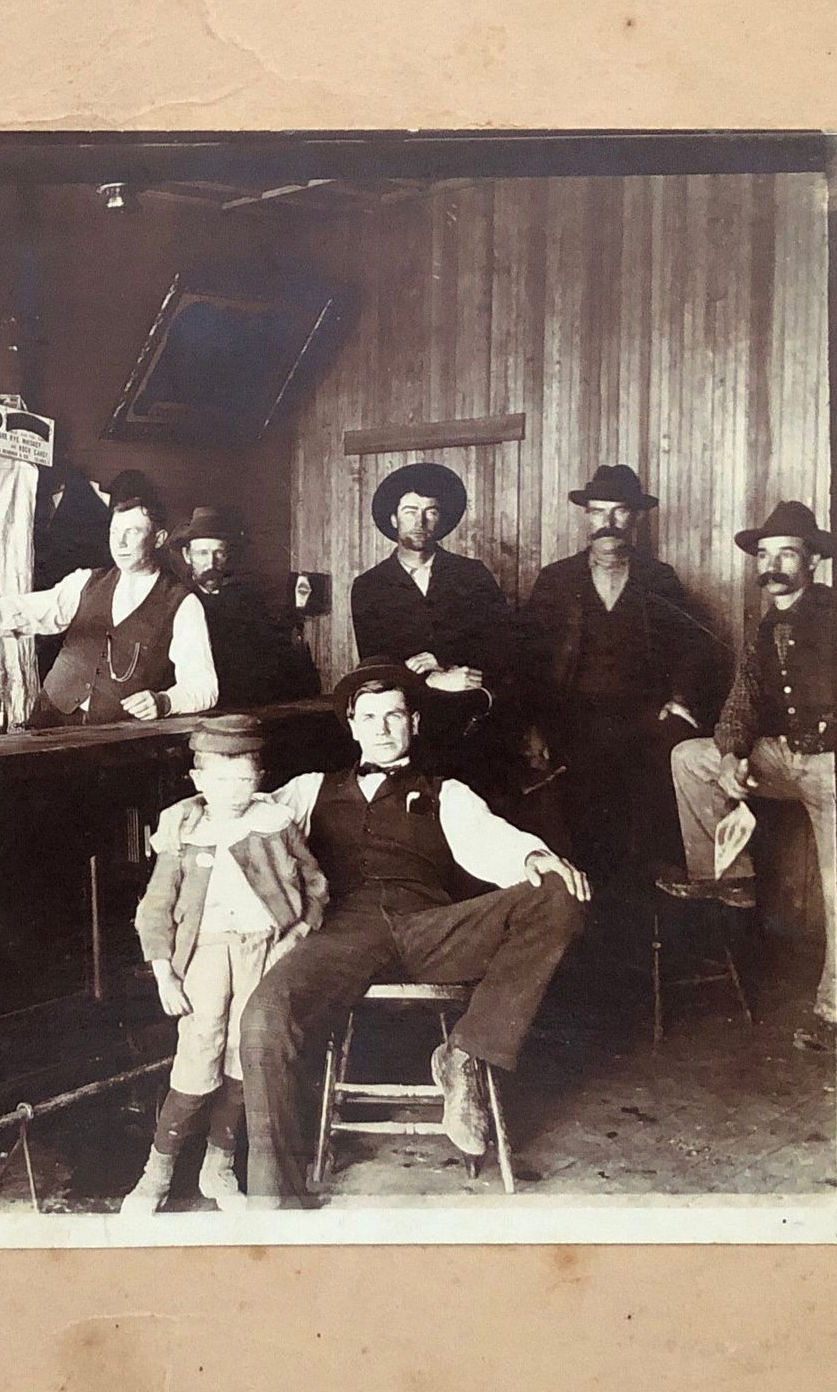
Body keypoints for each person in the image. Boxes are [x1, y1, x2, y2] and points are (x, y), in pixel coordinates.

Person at [237, 663, 592, 1208]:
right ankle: (274, 1200)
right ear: (352, 726)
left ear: (415, 723)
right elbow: (244, 817)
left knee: (560, 893)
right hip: (343, 935)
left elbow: (491, 840)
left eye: (394, 715)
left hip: (430, 929)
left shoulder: (446, 792)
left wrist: (532, 855)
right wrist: (188, 819)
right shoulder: (310, 790)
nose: (381, 729)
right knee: (264, 1016)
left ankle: (467, 1053)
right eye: (369, 717)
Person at [125, 715, 331, 1214]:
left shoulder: (274, 824)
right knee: (199, 1053)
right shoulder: (186, 833)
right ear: (198, 780)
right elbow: (155, 909)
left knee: (246, 1052)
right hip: (207, 954)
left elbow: (315, 885)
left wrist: (298, 932)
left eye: (244, 777)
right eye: (219, 778)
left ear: (260, 777)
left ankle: (217, 1167)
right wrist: (165, 974)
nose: (233, 789)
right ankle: (156, 1173)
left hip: (264, 949)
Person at [668, 500, 837, 1049]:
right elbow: (740, 705)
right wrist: (730, 757)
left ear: (812, 561)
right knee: (690, 758)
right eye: (765, 555)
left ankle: (835, 1013)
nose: (772, 566)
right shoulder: (764, 627)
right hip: (783, 759)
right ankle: (731, 879)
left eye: (786, 554)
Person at [518, 463, 716, 884]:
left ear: (636, 518)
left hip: (640, 717)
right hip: (571, 716)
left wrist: (679, 698)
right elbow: (527, 660)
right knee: (580, 815)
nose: (607, 523)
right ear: (586, 517)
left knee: (647, 812)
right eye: (597, 512)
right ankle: (590, 900)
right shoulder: (556, 580)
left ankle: (644, 903)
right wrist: (533, 725)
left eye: (619, 511)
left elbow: (692, 647)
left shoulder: (658, 579)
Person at [0, 487, 218, 726]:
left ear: (158, 538)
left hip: (115, 738)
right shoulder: (86, 581)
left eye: (132, 532)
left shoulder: (183, 604)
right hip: (49, 719)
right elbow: (34, 610)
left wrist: (165, 702)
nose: (120, 543)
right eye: (114, 532)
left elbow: (204, 686)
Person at [347, 461, 514, 780]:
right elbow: (375, 666)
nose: (420, 521)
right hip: (406, 734)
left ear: (441, 520)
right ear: (394, 519)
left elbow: (504, 650)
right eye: (410, 511)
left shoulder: (473, 575)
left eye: (430, 512)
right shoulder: (369, 586)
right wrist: (430, 680)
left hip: (473, 725)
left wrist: (445, 665)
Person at [176, 507, 321, 709]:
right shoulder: (177, 600)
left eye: (219, 553)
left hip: (243, 706)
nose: (211, 562)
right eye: (202, 553)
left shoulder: (247, 600)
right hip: (194, 708)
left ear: (228, 555)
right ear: (187, 555)